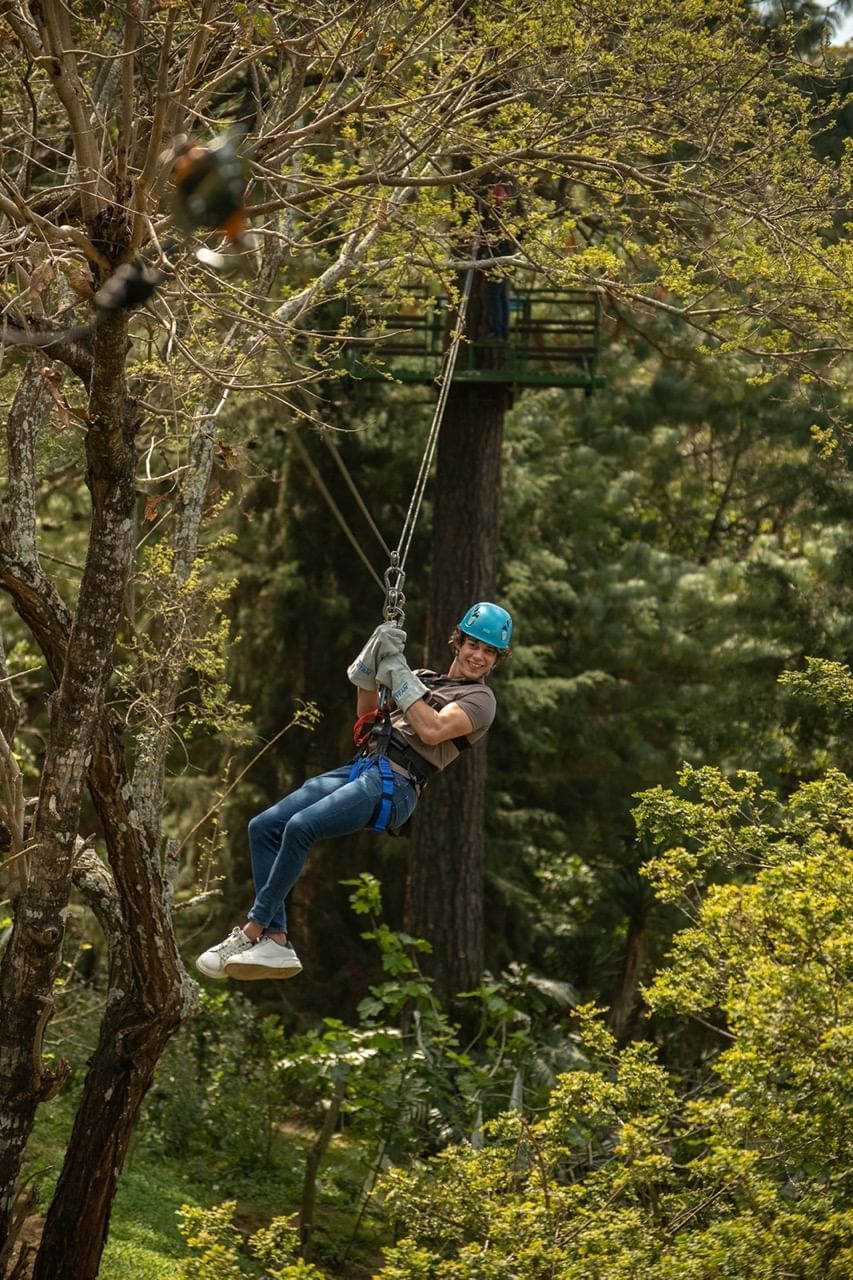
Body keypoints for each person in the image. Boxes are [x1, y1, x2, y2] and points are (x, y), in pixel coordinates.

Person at [195, 601, 513, 982]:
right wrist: (370, 666)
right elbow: (367, 715)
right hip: (362, 767)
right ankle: (275, 938)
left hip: (395, 785)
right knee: (264, 827)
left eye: (489, 651)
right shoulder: (424, 677)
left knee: (300, 827)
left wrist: (398, 673)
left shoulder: (480, 701)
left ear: (496, 660)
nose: (478, 656)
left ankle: (250, 932)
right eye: (473, 645)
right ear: (458, 642)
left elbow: (431, 730)